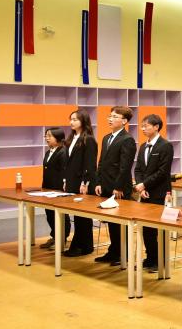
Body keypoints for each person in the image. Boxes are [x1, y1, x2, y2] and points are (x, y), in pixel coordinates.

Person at [94, 106, 136, 265]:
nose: (110, 119)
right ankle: (114, 251)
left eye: (114, 116)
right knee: (111, 221)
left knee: (120, 223)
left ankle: (124, 254)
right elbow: (101, 162)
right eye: (109, 116)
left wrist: (118, 187)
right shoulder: (106, 138)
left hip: (119, 188)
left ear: (124, 121)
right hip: (105, 185)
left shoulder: (127, 139)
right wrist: (98, 182)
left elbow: (125, 167)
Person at [133, 114, 175, 272]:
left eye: (146, 126)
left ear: (156, 127)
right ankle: (150, 258)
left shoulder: (165, 145)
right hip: (145, 192)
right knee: (146, 229)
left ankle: (160, 261)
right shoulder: (143, 146)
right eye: (142, 126)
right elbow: (138, 169)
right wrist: (141, 186)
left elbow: (163, 171)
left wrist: (145, 184)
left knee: (159, 229)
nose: (142, 129)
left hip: (160, 193)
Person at [63, 110, 98, 257]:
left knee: (83, 216)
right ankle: (80, 245)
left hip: (82, 183)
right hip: (72, 181)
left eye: (75, 119)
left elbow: (90, 164)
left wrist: (85, 182)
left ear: (83, 121)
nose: (71, 122)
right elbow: (68, 163)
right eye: (70, 119)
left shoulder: (88, 139)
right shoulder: (71, 138)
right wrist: (65, 180)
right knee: (77, 215)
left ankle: (84, 246)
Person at [39, 127, 68, 251]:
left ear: (58, 138)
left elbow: (64, 172)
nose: (47, 138)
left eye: (49, 136)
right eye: (46, 136)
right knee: (49, 214)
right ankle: (55, 236)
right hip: (47, 188)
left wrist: (62, 188)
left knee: (60, 215)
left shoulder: (63, 152)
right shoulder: (48, 152)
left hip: (58, 189)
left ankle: (62, 238)